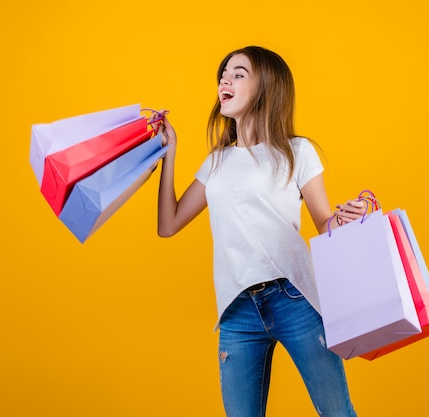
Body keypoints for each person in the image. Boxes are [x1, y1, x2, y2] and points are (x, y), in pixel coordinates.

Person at [156, 46, 365, 417]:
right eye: (224, 72)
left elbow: (324, 225)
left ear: (267, 86)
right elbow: (168, 224)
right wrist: (169, 152)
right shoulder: (217, 162)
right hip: (237, 309)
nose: (225, 79)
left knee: (337, 412)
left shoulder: (296, 152)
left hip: (295, 297)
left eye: (238, 73)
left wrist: (351, 216)